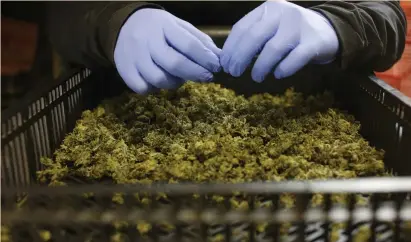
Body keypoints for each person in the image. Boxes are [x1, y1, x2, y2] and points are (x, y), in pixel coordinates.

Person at [47, 1, 407, 95]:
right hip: (135, 93)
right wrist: (117, 22)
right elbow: (62, 14)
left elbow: (387, 16)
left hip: (302, 97)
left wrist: (333, 25)